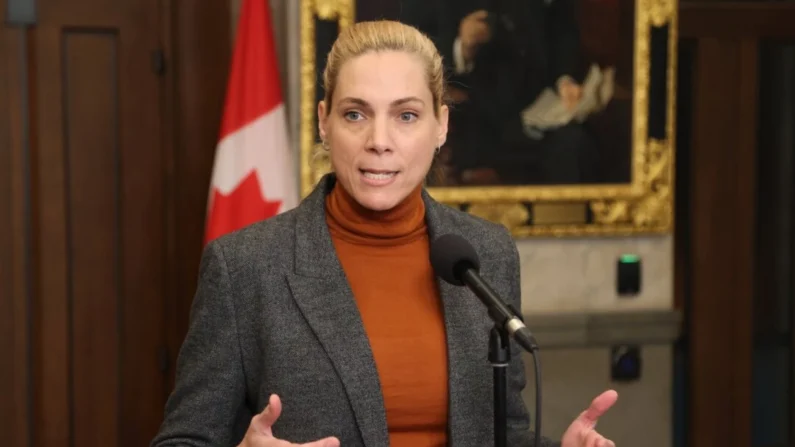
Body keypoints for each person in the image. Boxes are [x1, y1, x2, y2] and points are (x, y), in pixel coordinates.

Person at [151, 20, 617, 447]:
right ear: (323, 122)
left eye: (406, 115)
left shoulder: (486, 253)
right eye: (356, 114)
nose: (379, 139)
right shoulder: (245, 267)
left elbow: (504, 431)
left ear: (441, 125)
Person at [400, 0, 600, 185]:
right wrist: (461, 47)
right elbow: (412, 52)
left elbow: (561, 31)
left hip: (538, 112)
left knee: (575, 147)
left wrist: (564, 80)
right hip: (472, 117)